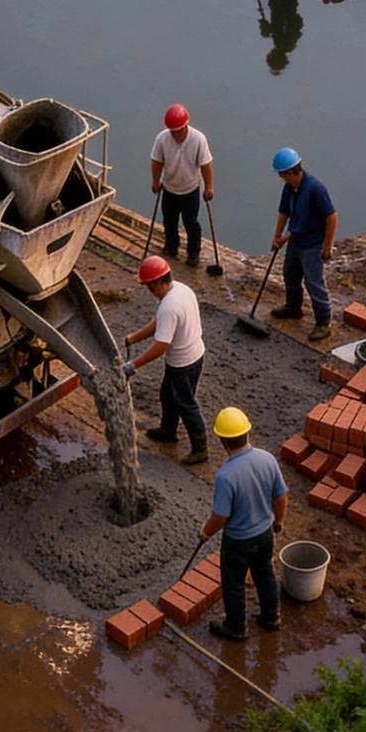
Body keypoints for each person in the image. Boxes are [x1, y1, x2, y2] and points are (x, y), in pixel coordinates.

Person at [199, 407, 287, 643]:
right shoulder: (267, 459)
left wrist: (206, 532)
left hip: (238, 541)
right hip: (264, 534)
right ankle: (271, 618)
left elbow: (221, 517)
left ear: (222, 442)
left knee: (234, 583)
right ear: (248, 433)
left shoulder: (226, 476)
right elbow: (281, 496)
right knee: (265, 572)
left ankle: (236, 627)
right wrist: (277, 521)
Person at [122, 254, 207, 464]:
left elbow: (161, 346)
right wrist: (135, 337)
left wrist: (133, 365)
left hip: (183, 363)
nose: (150, 292)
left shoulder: (170, 306)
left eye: (151, 287)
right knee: (167, 395)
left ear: (160, 282)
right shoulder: (180, 289)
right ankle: (168, 431)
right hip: (194, 354)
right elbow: (159, 323)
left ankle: (200, 449)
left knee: (186, 404)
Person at [269, 147, 337, 345]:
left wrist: (327, 247)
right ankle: (293, 307)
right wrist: (278, 236)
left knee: (314, 282)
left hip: (312, 245)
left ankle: (324, 322)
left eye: (282, 174)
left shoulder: (315, 189)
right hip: (295, 240)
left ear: (290, 172)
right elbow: (284, 212)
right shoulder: (289, 188)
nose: (281, 178)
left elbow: (331, 217)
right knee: (290, 275)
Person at [150, 103, 214, 267]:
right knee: (169, 220)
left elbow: (206, 165)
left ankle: (193, 253)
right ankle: (171, 247)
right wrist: (155, 181)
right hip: (169, 187)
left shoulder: (198, 139)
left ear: (186, 126)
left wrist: (208, 187)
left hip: (190, 189)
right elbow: (157, 161)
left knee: (190, 222)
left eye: (179, 131)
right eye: (173, 131)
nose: (176, 135)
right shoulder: (162, 138)